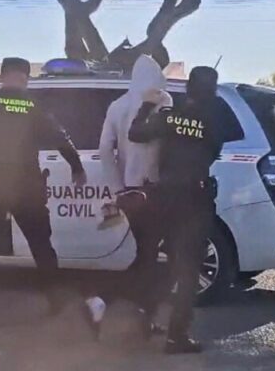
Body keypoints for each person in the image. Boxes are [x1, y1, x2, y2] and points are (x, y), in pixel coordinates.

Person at [0, 57, 87, 328]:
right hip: (27, 185)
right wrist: (77, 167)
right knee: (41, 245)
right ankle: (55, 298)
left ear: (2, 76)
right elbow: (60, 137)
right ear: (26, 78)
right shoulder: (34, 105)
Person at [128, 66, 243, 354]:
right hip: (194, 198)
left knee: (160, 261)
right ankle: (176, 337)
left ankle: (146, 318)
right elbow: (237, 131)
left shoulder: (170, 116)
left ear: (189, 88)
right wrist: (213, 105)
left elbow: (135, 133)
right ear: (212, 90)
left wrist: (146, 106)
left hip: (164, 196)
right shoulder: (217, 118)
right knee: (188, 269)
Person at [82, 55, 172, 340]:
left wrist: (117, 187)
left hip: (130, 193)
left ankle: (144, 314)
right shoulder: (163, 101)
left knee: (146, 255)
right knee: (153, 257)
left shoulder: (117, 105)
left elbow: (104, 149)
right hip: (154, 191)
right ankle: (104, 299)